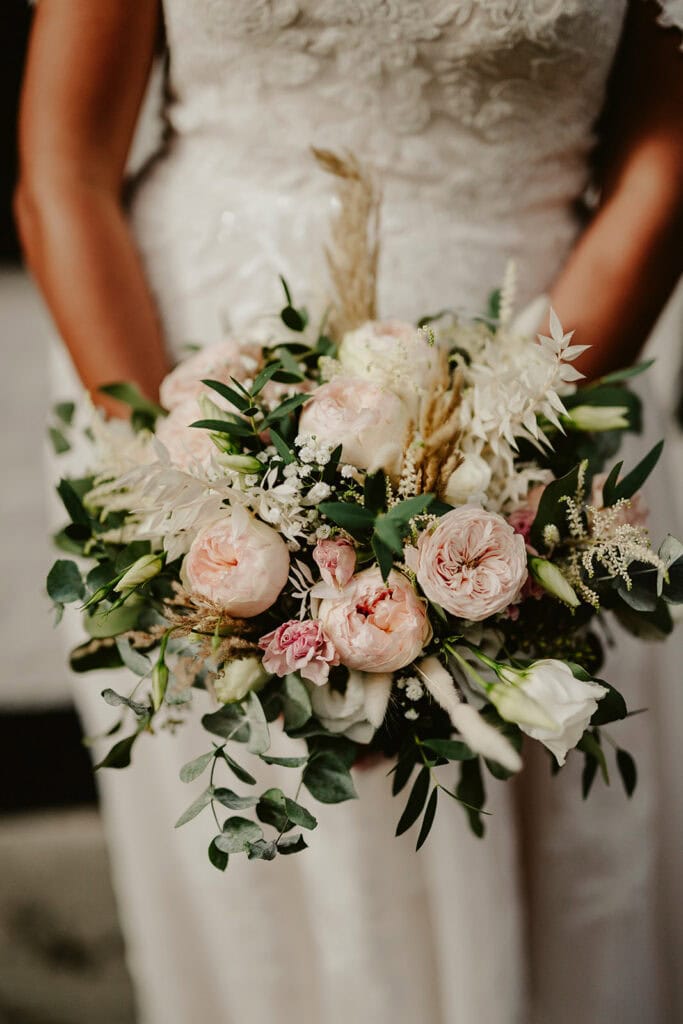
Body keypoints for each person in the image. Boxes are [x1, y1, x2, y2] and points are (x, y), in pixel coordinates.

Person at [15, 3, 683, 1022]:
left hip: (550, 377)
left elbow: (661, 168)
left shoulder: (530, 436)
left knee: (541, 830)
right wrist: (187, 496)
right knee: (258, 893)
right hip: (177, 372)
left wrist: (490, 482)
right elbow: (62, 173)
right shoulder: (175, 459)